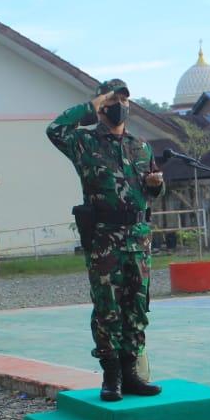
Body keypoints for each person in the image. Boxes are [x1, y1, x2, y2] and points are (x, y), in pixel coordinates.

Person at [47, 78, 165, 402]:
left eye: (124, 100)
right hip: (104, 238)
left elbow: (153, 189)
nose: (120, 105)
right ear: (101, 105)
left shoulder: (140, 146)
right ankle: (111, 376)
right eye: (113, 100)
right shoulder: (83, 142)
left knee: (137, 305)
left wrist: (156, 185)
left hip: (138, 238)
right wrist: (92, 106)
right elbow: (54, 130)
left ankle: (131, 373)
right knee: (107, 307)